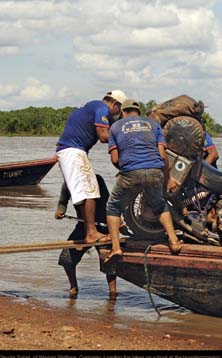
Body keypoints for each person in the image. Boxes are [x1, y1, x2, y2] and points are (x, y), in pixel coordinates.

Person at [104, 99, 182, 264]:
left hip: (131, 172)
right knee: (159, 204)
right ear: (138, 111)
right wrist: (168, 179)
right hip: (155, 170)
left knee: (113, 207)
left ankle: (116, 248)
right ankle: (174, 242)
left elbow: (115, 158)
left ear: (122, 113)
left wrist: (126, 168)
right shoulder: (153, 124)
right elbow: (162, 156)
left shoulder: (116, 127)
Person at [56, 90, 126, 244]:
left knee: (87, 189)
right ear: (115, 104)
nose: (116, 114)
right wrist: (126, 140)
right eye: (118, 110)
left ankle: (89, 231)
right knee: (89, 190)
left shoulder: (94, 106)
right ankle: (91, 233)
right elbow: (103, 136)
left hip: (71, 151)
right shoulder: (102, 109)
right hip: (73, 151)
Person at [55, 177, 118, 298]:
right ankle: (73, 287)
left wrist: (116, 223)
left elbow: (109, 202)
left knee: (108, 262)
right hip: (82, 227)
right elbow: (62, 202)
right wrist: (59, 211)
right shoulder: (68, 183)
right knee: (66, 259)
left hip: (103, 226)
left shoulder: (97, 179)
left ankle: (113, 292)